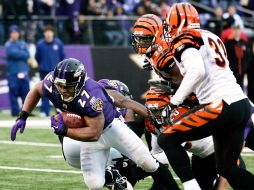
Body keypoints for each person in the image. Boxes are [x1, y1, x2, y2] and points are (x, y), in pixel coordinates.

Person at [10, 58, 180, 190]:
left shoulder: (93, 96)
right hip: (90, 141)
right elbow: (37, 90)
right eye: (60, 86)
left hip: (111, 129)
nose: (62, 90)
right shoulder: (52, 84)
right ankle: (112, 174)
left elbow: (95, 133)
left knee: (147, 162)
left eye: (67, 87)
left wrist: (65, 130)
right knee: (94, 184)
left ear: (79, 83)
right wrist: (23, 116)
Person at [149, 2, 254, 190]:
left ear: (175, 22)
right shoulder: (210, 35)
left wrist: (173, 103)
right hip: (241, 103)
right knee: (227, 168)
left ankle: (191, 188)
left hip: (220, 105)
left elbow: (197, 72)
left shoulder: (184, 37)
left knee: (167, 139)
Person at [35, 25, 65, 116]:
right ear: (44, 34)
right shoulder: (40, 44)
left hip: (57, 73)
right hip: (44, 72)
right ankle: (45, 111)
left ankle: (59, 110)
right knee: (44, 91)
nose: (48, 34)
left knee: (59, 92)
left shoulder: (58, 43)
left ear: (53, 33)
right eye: (46, 32)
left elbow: (62, 56)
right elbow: (37, 57)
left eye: (50, 32)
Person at [4, 24, 30, 117]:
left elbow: (27, 54)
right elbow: (12, 53)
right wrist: (22, 53)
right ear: (10, 34)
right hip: (13, 72)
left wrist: (21, 54)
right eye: (13, 33)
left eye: (16, 32)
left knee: (26, 93)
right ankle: (15, 112)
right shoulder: (8, 44)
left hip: (24, 71)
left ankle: (25, 112)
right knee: (13, 92)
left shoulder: (22, 43)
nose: (15, 34)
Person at [224, 22, 251, 89]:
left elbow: (248, 56)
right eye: (234, 30)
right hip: (232, 71)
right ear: (232, 31)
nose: (236, 31)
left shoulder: (245, 43)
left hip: (242, 70)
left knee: (241, 87)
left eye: (238, 30)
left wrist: (245, 66)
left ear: (240, 31)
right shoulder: (227, 44)